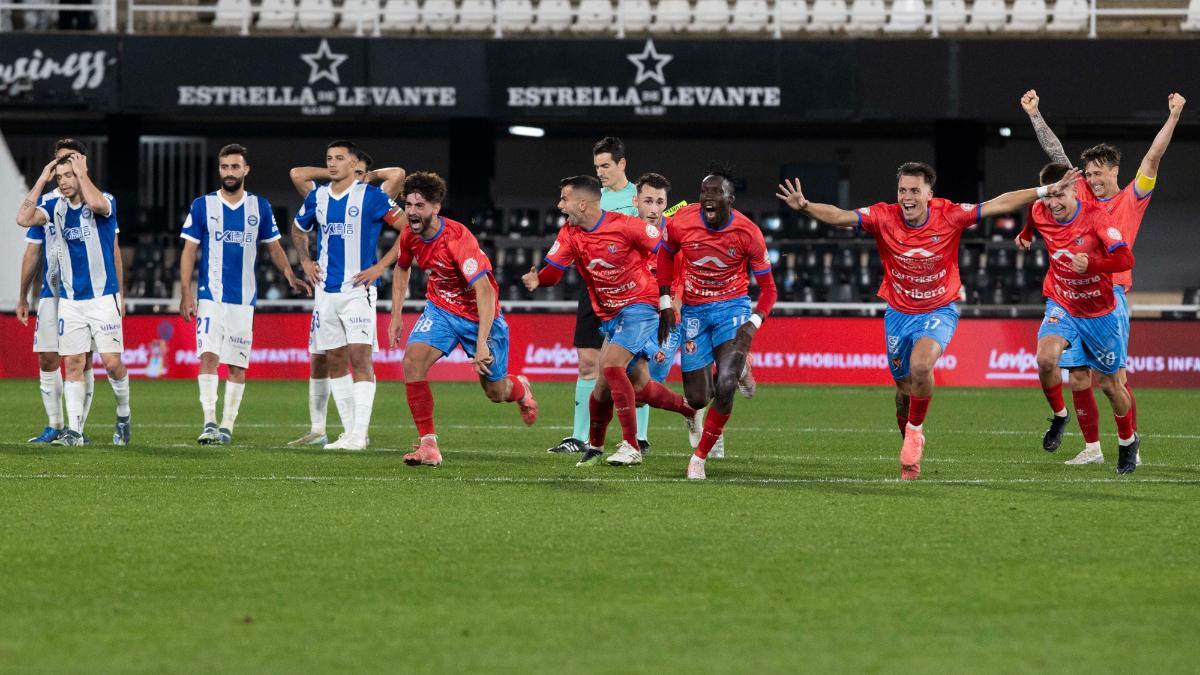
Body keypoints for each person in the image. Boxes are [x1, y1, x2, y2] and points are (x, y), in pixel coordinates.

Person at [777, 162, 1081, 480]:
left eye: (914, 190)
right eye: (902, 190)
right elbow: (841, 216)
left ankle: (914, 433)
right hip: (898, 312)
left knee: (922, 365)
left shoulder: (949, 214)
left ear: (929, 193)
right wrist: (806, 207)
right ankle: (910, 431)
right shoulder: (883, 216)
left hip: (940, 309)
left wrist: (1046, 190)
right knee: (904, 390)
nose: (907, 197)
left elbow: (998, 203)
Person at [1019, 90, 1185, 465]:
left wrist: (1173, 116)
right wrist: (1035, 115)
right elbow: (1056, 155)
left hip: (1110, 295)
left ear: (1114, 171)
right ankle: (1092, 447)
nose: (1091, 179)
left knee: (1115, 380)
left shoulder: (1132, 197)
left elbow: (1153, 157)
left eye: (1098, 172)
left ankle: (1130, 443)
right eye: (1088, 173)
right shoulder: (1080, 197)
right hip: (1070, 295)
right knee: (1077, 376)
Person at [352, 172, 538, 466]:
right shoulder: (410, 235)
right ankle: (428, 445)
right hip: (441, 311)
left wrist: (481, 345)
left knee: (495, 392)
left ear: (436, 208)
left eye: (420, 205)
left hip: (480, 318)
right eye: (409, 204)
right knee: (412, 362)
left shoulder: (457, 239)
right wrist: (396, 314)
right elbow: (402, 269)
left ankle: (521, 389)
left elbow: (485, 291)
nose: (412, 211)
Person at [523, 175, 695, 467]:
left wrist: (669, 298)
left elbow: (670, 253)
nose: (559, 205)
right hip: (611, 316)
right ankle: (688, 411)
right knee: (622, 386)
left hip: (641, 306)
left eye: (564, 199)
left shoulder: (626, 226)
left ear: (581, 203)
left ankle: (631, 445)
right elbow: (554, 270)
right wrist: (539, 279)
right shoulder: (570, 233)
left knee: (612, 365)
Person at [178, 144, 311, 445]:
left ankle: (227, 426)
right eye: (225, 167)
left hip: (243, 300)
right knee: (208, 356)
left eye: (235, 167)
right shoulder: (203, 205)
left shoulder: (259, 207)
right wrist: (186, 292)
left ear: (245, 170)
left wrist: (289, 274)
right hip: (210, 295)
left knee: (237, 365)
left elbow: (273, 245)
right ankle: (209, 421)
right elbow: (189, 249)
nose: (229, 173)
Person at [656, 169, 777, 480]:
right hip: (695, 311)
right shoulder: (682, 220)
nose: (707, 198)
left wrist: (753, 323)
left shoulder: (748, 232)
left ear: (730, 200)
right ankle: (740, 368)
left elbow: (770, 289)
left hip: (732, 309)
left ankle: (699, 457)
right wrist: (666, 301)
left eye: (715, 193)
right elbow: (666, 255)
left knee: (725, 385)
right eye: (703, 192)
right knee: (697, 398)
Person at [1022, 162, 1139, 473]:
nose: (1053, 203)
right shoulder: (1040, 210)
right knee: (1047, 360)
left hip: (1099, 311)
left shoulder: (1097, 218)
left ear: (1075, 190)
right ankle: (1061, 417)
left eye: (1060, 194)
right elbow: (1033, 216)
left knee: (1111, 384)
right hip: (1061, 303)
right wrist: (1024, 235)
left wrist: (1093, 264)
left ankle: (1128, 441)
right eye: (1049, 196)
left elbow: (1126, 258)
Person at [287, 152, 405, 446]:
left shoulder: (372, 196)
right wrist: (304, 260)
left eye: (339, 158)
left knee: (360, 357)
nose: (331, 162)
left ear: (354, 165)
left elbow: (408, 228)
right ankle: (352, 433)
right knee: (334, 358)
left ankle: (358, 433)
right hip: (326, 291)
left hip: (358, 290)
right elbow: (298, 228)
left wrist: (381, 266)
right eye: (329, 158)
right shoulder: (319, 197)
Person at [16, 153, 131, 446]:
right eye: (60, 177)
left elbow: (93, 204)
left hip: (103, 297)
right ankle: (75, 432)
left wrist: (82, 174)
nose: (63, 182)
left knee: (111, 362)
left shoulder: (105, 199)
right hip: (69, 300)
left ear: (81, 171)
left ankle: (123, 414)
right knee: (75, 363)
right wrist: (43, 178)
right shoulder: (54, 206)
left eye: (68, 175)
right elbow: (23, 218)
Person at [546, 137, 641, 455]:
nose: (600, 172)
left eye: (606, 165)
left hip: (630, 291)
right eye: (597, 166)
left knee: (633, 367)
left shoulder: (639, 198)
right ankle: (579, 436)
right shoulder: (587, 198)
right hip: (593, 290)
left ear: (621, 164)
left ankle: (638, 437)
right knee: (588, 363)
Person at [17, 139, 96, 443]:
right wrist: (23, 295)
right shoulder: (47, 203)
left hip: (88, 293)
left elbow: (112, 249)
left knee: (82, 359)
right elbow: (32, 251)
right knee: (48, 357)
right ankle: (55, 424)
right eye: (59, 162)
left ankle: (78, 428)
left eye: (70, 161)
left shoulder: (96, 201)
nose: (64, 170)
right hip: (53, 292)